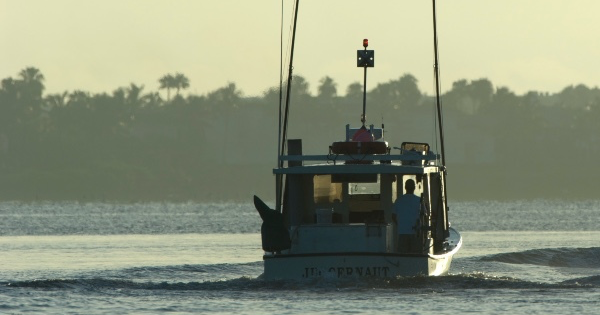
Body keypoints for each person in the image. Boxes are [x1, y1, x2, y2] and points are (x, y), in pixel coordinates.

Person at [392, 179, 421, 253]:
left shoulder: (399, 200)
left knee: (402, 255)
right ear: (414, 188)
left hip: (402, 232)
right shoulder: (419, 200)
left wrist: (400, 225)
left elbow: (393, 216)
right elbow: (422, 216)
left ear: (405, 187)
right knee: (415, 255)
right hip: (415, 233)